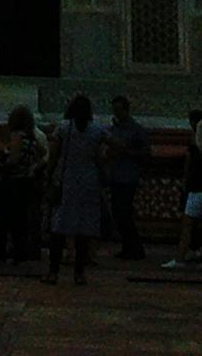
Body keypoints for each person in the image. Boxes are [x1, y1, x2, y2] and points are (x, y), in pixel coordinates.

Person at [43, 94, 104, 286]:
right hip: (88, 181)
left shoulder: (64, 128)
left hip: (66, 180)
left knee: (59, 228)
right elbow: (111, 146)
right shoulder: (96, 130)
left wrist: (48, 176)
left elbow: (53, 155)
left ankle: (53, 272)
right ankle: (79, 274)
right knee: (83, 230)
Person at [165, 106, 202, 269]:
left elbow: (188, 171)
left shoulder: (196, 149)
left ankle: (179, 259)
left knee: (188, 228)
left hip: (197, 191)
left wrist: (184, 188)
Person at [0, 105, 44, 265]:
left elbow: (13, 159)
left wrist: (1, 165)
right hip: (27, 181)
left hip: (13, 181)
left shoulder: (17, 136)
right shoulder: (32, 138)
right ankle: (20, 253)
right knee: (21, 220)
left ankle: (0, 254)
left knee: (3, 219)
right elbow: (41, 155)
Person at [102, 94, 152, 260]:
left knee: (123, 212)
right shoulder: (113, 129)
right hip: (116, 174)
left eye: (118, 110)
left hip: (128, 175)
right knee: (118, 212)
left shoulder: (136, 130)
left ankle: (135, 247)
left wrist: (127, 153)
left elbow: (146, 152)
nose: (116, 113)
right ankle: (128, 246)